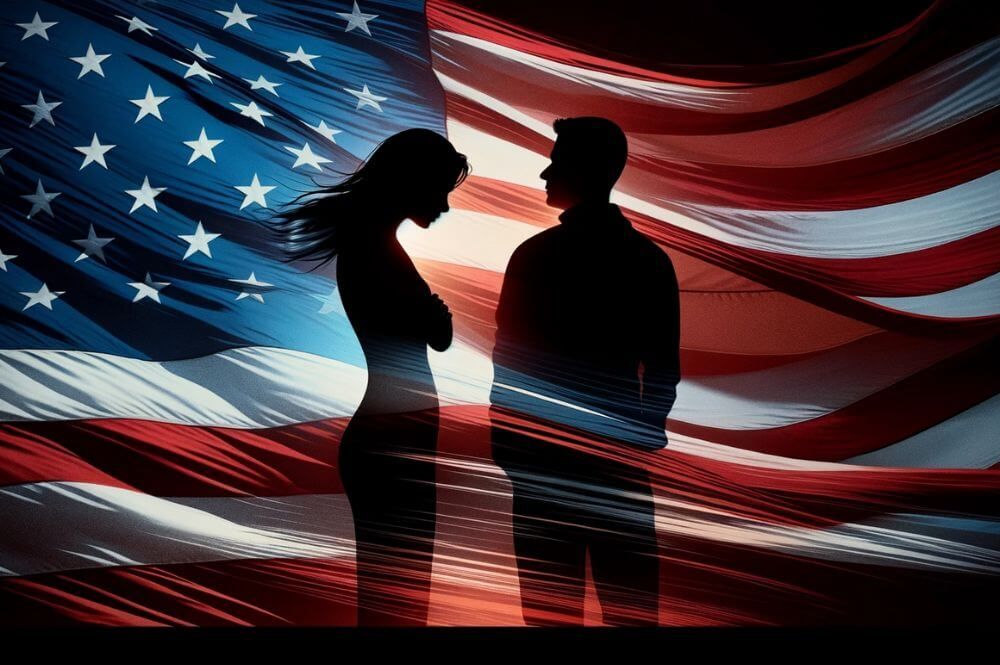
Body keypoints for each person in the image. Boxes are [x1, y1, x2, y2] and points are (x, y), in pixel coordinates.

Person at [266, 128, 470, 626]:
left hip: (395, 437)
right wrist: (432, 313)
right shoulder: (376, 251)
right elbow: (439, 333)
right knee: (397, 598)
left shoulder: (377, 246)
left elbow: (435, 328)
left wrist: (432, 314)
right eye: (440, 187)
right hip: (391, 441)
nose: (443, 204)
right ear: (412, 182)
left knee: (396, 594)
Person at [489, 116, 681, 626]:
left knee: (556, 614)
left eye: (558, 160)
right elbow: (663, 369)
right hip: (610, 466)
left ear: (584, 169)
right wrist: (639, 437)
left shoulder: (534, 258)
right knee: (630, 609)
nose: (544, 174)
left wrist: (508, 445)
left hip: (546, 464)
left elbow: (509, 360)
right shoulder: (648, 261)